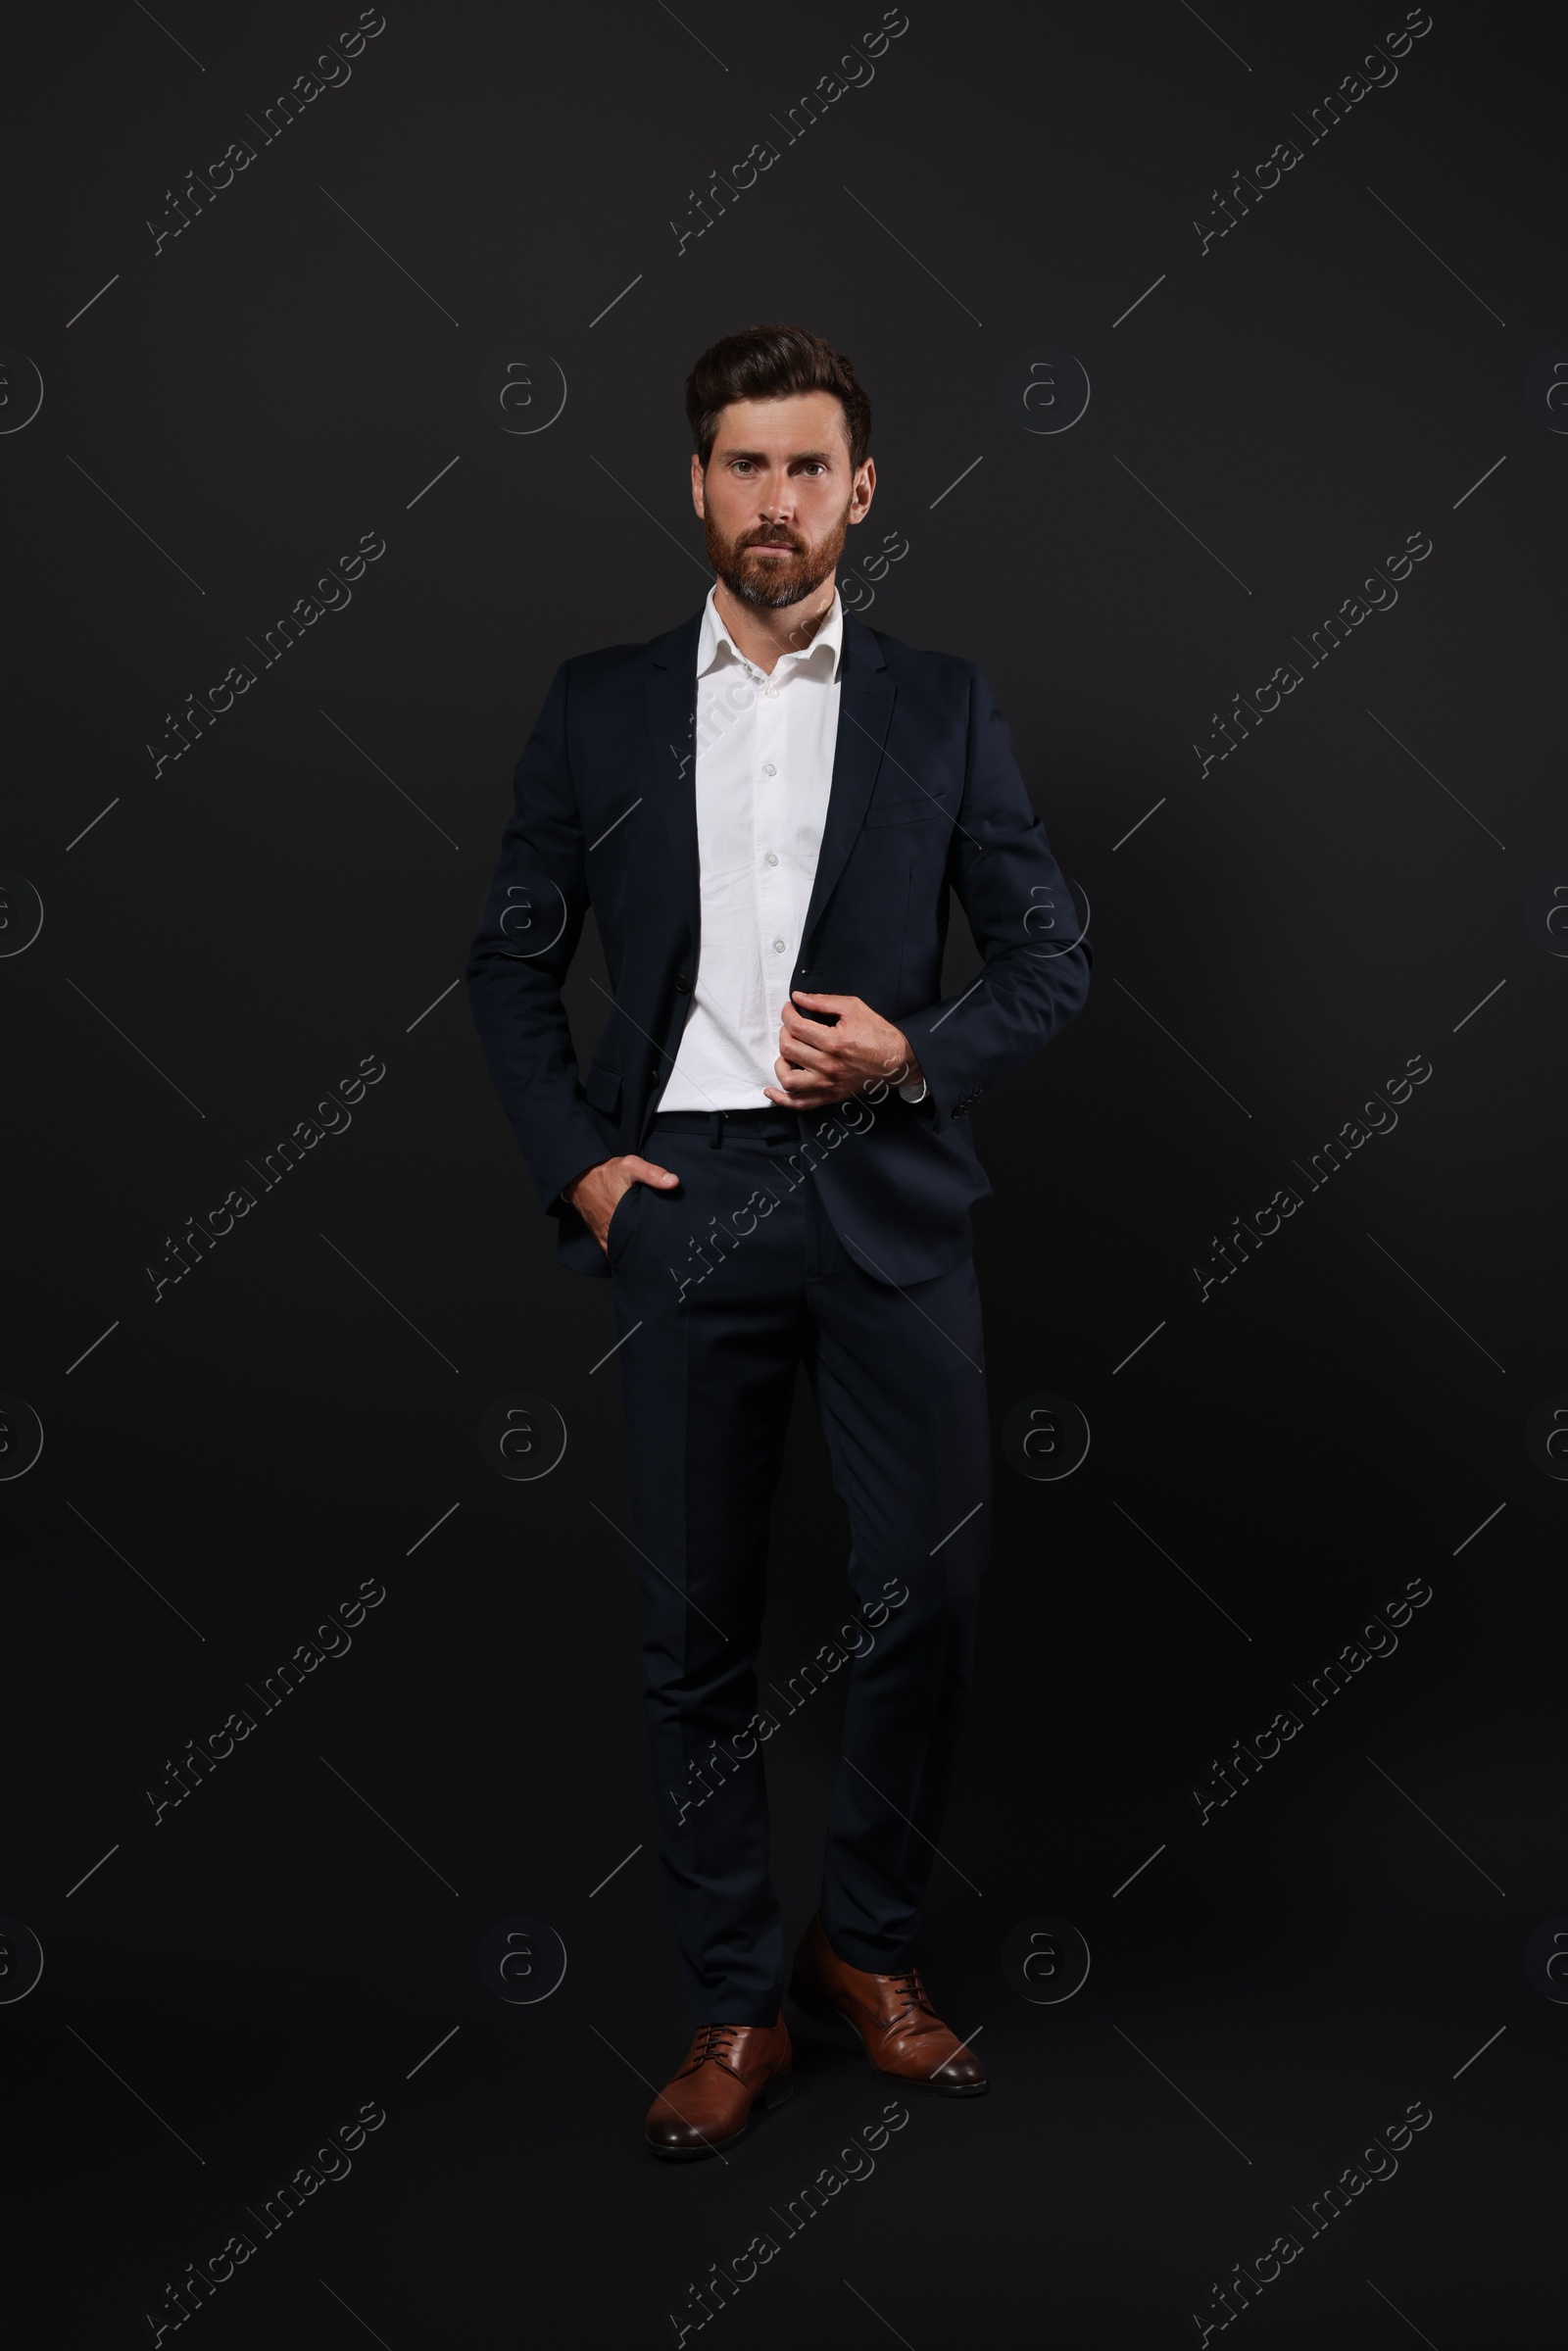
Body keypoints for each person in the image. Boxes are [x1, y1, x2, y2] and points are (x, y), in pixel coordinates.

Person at [466, 321, 1090, 2159]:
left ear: (862, 491)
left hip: (886, 1198)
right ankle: (735, 2000)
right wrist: (580, 1166)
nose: (776, 499)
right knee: (698, 1637)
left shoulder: (946, 703)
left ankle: (865, 1949)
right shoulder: (594, 706)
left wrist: (921, 1052)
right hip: (683, 1210)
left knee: (936, 1594)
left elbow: (1053, 952)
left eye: (809, 467)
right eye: (746, 464)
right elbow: (507, 957)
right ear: (697, 484)